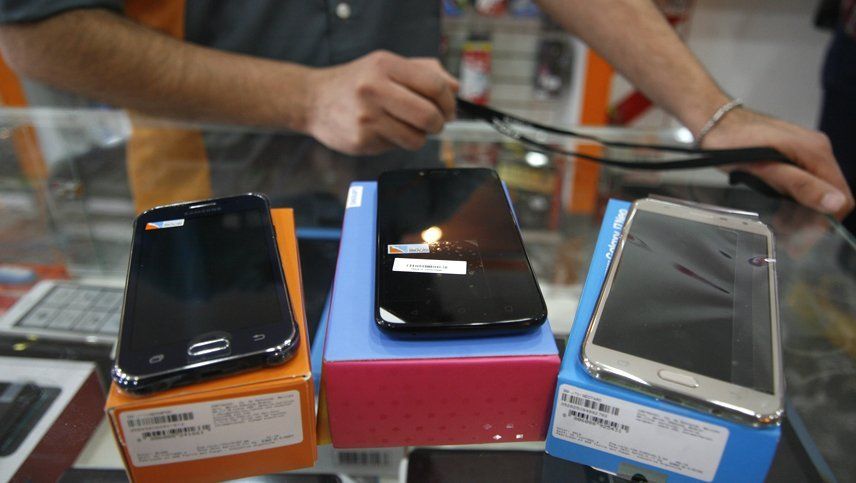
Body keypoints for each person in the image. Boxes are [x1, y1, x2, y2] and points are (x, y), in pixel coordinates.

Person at [0, 1, 852, 219]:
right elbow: (34, 26)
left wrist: (715, 115)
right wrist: (303, 95)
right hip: (209, 196)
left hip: (402, 190)